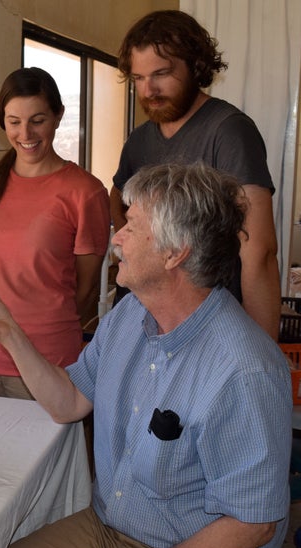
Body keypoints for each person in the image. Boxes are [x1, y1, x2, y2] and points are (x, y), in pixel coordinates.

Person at [0, 163, 293, 548]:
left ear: (175, 254)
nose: (116, 239)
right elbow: (69, 402)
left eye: (131, 227)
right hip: (109, 533)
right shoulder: (129, 316)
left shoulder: (244, 369)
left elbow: (254, 524)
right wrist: (7, 334)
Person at [110, 9, 280, 340]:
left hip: (208, 326)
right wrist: (130, 247)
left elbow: (258, 251)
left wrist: (261, 347)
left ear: (195, 67)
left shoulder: (229, 131)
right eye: (138, 79)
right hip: (145, 317)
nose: (149, 90)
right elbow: (116, 195)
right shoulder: (140, 140)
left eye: (161, 74)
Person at [0, 67, 110, 399]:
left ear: (58, 116)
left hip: (47, 359)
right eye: (14, 121)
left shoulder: (85, 192)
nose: (25, 132)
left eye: (37, 120)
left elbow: (83, 292)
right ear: (3, 123)